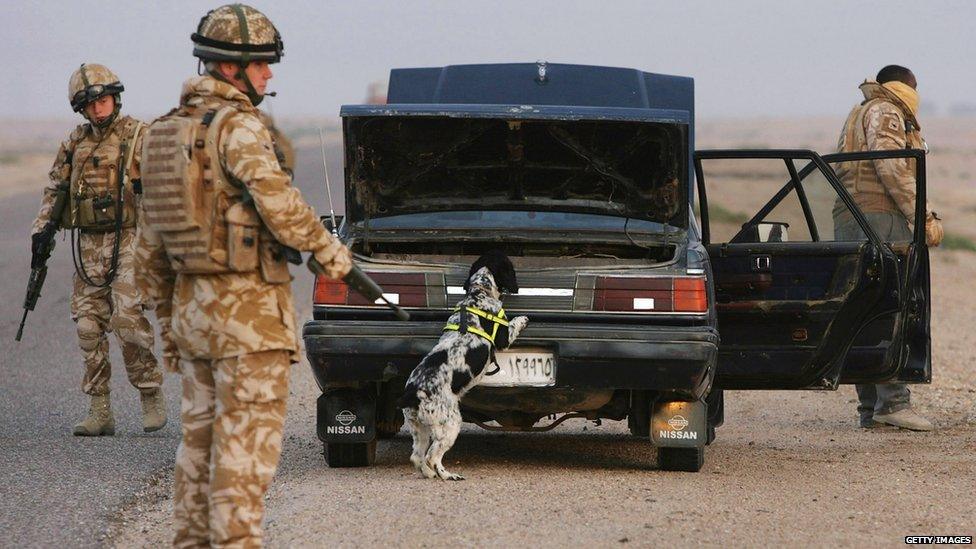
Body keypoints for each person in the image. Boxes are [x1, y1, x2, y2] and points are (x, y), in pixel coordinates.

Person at [136, 4, 352, 546]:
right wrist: (334, 255)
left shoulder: (162, 133)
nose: (269, 75)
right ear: (231, 68)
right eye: (261, 65)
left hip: (193, 317)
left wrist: (168, 324)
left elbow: (149, 249)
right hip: (249, 323)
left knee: (199, 453)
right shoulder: (238, 129)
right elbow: (281, 206)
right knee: (244, 459)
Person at [31, 63, 165, 436]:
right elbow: (55, 189)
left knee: (127, 319)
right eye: (91, 104)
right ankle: (100, 409)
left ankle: (150, 392)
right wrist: (42, 230)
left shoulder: (140, 136)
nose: (99, 109)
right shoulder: (75, 143)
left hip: (131, 239)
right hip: (88, 245)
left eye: (104, 100)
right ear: (82, 109)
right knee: (88, 325)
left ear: (115, 98)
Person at [833, 64, 943, 431]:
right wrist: (923, 216)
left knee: (864, 309)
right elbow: (893, 167)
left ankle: (871, 408)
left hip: (852, 217)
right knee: (893, 305)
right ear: (907, 86)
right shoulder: (887, 110)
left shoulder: (859, 112)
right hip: (879, 218)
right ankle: (893, 403)